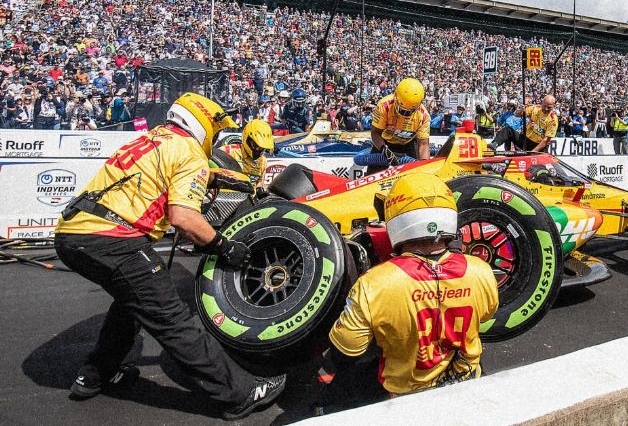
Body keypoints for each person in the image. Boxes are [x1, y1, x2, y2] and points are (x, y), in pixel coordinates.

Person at [53, 93, 286, 421]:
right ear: (202, 124)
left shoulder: (153, 139)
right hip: (113, 237)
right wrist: (224, 246)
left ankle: (94, 376)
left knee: (131, 303)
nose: (215, 137)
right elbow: (184, 218)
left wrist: (227, 181)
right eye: (215, 131)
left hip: (72, 233)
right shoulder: (190, 150)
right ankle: (240, 393)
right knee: (172, 319)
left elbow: (181, 175)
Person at [315, 173, 499, 404]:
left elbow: (345, 352)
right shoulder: (481, 270)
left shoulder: (373, 284)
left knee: (332, 391)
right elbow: (486, 315)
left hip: (405, 398)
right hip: (469, 383)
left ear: (396, 221)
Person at [367, 77, 431, 174]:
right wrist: (384, 150)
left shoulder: (424, 116)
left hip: (408, 144)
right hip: (384, 143)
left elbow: (423, 144)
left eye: (409, 112)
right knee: (373, 176)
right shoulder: (384, 105)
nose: (404, 115)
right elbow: (375, 133)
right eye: (402, 110)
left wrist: (424, 168)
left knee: (414, 175)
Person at [490, 95, 558, 152]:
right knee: (508, 130)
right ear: (542, 103)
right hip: (526, 140)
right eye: (545, 106)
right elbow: (517, 115)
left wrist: (533, 152)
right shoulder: (535, 108)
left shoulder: (553, 119)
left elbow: (546, 140)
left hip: (539, 145)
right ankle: (494, 145)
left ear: (553, 106)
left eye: (549, 107)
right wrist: (521, 110)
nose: (546, 109)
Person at [222, 119, 274, 187]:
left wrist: (259, 190)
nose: (257, 149)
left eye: (261, 147)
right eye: (255, 145)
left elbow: (259, 182)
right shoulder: (228, 151)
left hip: (249, 193)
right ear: (247, 139)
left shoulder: (262, 161)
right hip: (228, 191)